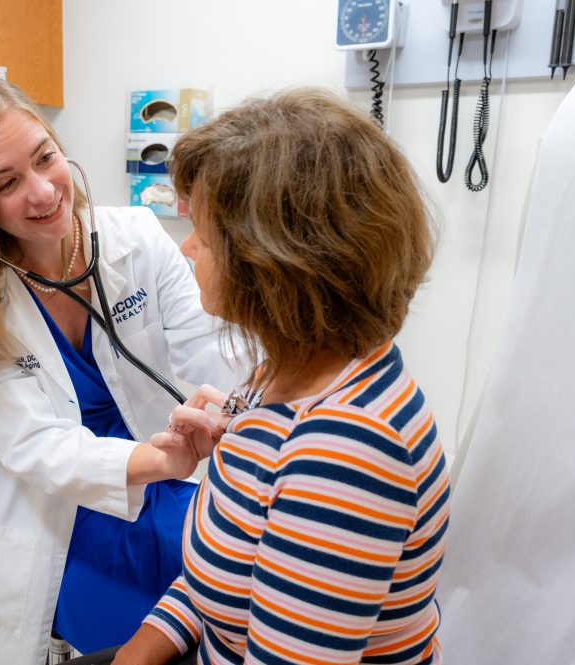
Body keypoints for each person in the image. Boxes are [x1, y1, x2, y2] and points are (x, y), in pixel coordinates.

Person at [0, 73, 241, 665]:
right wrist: (163, 459)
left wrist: (260, 411)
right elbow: (39, 446)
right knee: (116, 629)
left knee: (212, 614)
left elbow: (209, 352)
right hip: (57, 503)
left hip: (163, 474)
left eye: (46, 158)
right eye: (7, 183)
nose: (42, 192)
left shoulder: (136, 239)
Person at [112, 87, 451, 664]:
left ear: (273, 264)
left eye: (207, 235)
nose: (188, 248)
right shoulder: (281, 374)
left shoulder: (347, 453)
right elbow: (222, 577)